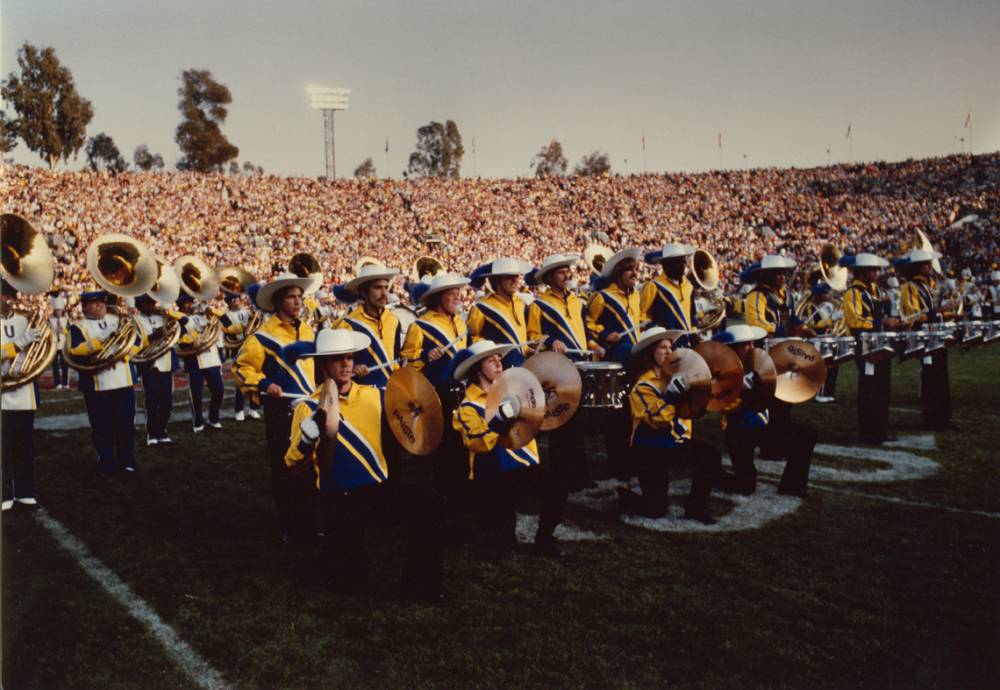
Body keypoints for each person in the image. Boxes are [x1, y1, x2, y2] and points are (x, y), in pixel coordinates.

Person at [285, 329, 443, 599]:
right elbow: (292, 463)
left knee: (429, 506)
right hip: (338, 496)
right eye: (338, 359)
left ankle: (421, 585)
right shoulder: (307, 407)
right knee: (349, 583)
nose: (346, 364)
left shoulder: (375, 396)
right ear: (323, 365)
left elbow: (409, 420)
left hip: (377, 489)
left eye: (349, 357)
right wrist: (307, 438)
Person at [525, 253, 601, 554]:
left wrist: (594, 346)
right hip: (554, 372)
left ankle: (573, 473)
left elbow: (582, 334)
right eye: (560, 271)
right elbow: (532, 339)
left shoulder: (577, 302)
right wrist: (549, 341)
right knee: (560, 426)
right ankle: (558, 473)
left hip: (577, 368)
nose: (567, 274)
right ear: (549, 277)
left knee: (576, 426)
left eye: (568, 270)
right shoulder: (539, 305)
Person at [236, 272, 317, 544]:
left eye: (299, 296)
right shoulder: (262, 337)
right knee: (285, 467)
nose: (297, 302)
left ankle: (311, 521)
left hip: (309, 407)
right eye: (291, 297)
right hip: (281, 412)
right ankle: (290, 525)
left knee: (312, 465)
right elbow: (242, 367)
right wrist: (264, 383)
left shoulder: (307, 330)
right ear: (279, 301)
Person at [618, 327, 720, 524]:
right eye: (662, 347)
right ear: (650, 353)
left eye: (669, 347)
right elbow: (657, 419)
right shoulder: (643, 385)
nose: (668, 351)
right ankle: (626, 497)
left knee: (711, 458)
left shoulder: (677, 375)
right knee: (655, 509)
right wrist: (671, 396)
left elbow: (692, 409)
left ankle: (696, 508)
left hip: (673, 443)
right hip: (649, 450)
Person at [452, 339, 541, 552]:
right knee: (498, 540)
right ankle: (492, 533)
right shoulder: (467, 407)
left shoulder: (511, 392)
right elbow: (478, 442)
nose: (499, 365)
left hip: (522, 465)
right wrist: (500, 417)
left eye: (499, 360)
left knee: (558, 484)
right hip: (491, 473)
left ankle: (544, 538)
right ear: (477, 369)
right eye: (491, 361)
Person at [715, 324, 815, 497]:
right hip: (739, 432)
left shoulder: (760, 365)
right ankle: (714, 476)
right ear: (732, 348)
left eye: (752, 344)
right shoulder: (722, 373)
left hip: (764, 426)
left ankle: (792, 485)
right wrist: (742, 390)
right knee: (745, 485)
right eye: (745, 344)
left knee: (807, 434)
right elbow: (727, 406)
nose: (751, 348)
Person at [400, 273, 471, 495]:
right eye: (452, 294)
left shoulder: (461, 322)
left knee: (463, 447)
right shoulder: (420, 326)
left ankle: (461, 495)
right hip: (437, 396)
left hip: (462, 392)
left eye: (459, 293)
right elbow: (407, 362)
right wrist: (424, 354)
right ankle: (444, 500)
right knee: (443, 454)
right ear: (439, 297)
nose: (458, 298)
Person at [743, 254, 810, 457]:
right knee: (768, 400)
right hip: (766, 353)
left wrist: (803, 328)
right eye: (777, 273)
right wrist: (784, 330)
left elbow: (793, 317)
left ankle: (780, 441)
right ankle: (768, 446)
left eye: (784, 273)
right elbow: (756, 324)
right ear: (766, 275)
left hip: (785, 352)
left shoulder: (786, 295)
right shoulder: (757, 295)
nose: (782, 277)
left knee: (785, 399)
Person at [67, 289, 140, 475]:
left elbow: (138, 341)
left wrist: (125, 354)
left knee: (126, 424)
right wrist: (101, 338)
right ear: (84, 307)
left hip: (123, 380)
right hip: (97, 384)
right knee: (102, 426)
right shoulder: (77, 327)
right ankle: (106, 461)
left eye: (102, 301)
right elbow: (76, 350)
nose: (100, 305)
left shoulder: (118, 321)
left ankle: (127, 460)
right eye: (94, 302)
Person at [585, 247, 643, 479]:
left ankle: (633, 457)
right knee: (617, 415)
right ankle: (616, 461)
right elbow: (587, 324)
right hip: (615, 363)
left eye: (635, 269)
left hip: (636, 361)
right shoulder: (602, 297)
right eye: (629, 269)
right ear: (618, 273)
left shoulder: (637, 296)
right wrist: (605, 334)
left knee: (635, 411)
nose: (634, 273)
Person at [841, 253, 901, 444]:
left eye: (876, 269)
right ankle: (867, 431)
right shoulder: (853, 293)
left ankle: (880, 430)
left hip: (880, 342)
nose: (876, 273)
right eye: (871, 270)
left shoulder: (875, 290)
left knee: (883, 388)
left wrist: (893, 322)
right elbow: (855, 320)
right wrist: (883, 321)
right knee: (869, 389)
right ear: (861, 272)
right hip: (865, 344)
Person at [899, 248, 954, 431]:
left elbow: (935, 312)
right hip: (924, 337)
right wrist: (938, 311)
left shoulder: (932, 284)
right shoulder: (909, 287)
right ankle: (931, 419)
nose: (930, 266)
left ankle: (944, 418)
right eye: (926, 264)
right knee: (931, 378)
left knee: (942, 377)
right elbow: (912, 315)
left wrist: (949, 312)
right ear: (917, 266)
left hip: (938, 334)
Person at [1, 280, 42, 509]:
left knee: (25, 445)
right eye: (4, 296)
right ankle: (4, 493)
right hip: (2, 392)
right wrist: (17, 344)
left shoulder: (24, 320)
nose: (9, 300)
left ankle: (24, 490)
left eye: (11, 295)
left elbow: (42, 346)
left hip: (25, 391)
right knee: (3, 446)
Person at [334, 262, 404, 388]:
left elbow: (396, 357)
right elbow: (335, 365)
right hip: (362, 396)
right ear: (364, 292)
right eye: (377, 288)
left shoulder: (394, 320)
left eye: (386, 287)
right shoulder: (347, 325)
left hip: (391, 392)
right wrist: (353, 368)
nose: (384, 294)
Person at [467, 258, 535, 368]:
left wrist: (528, 350)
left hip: (522, 366)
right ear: (497, 280)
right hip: (498, 370)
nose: (515, 280)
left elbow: (520, 338)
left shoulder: (521, 303)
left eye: (517, 276)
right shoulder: (481, 308)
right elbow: (470, 339)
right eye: (509, 277)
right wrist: (493, 348)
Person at [133, 293, 178, 445]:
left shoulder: (163, 317)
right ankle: (152, 433)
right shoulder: (135, 320)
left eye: (153, 303)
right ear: (140, 305)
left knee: (167, 402)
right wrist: (152, 337)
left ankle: (162, 430)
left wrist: (169, 314)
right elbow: (135, 343)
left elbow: (182, 324)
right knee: (152, 401)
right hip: (149, 364)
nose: (152, 306)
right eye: (148, 303)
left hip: (166, 362)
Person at [176, 293, 225, 432]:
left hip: (212, 358)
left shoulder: (203, 315)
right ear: (180, 305)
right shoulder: (179, 320)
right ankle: (198, 421)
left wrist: (208, 307)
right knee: (196, 393)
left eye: (191, 302)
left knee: (219, 390)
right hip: (194, 360)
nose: (190, 305)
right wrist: (195, 338)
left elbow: (223, 320)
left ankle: (213, 418)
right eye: (186, 303)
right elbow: (182, 342)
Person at [640, 243, 699, 346]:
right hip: (665, 343)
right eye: (676, 262)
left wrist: (694, 331)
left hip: (687, 341)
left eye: (683, 261)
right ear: (665, 265)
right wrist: (656, 329)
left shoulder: (689, 286)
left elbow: (692, 314)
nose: (681, 266)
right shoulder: (654, 286)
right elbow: (640, 315)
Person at [220, 291, 261, 421]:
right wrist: (243, 327)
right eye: (234, 300)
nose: (237, 302)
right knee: (241, 380)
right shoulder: (226, 316)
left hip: (253, 347)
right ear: (229, 303)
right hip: (238, 348)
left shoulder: (248, 312)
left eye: (238, 299)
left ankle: (254, 408)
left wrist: (255, 317)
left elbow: (257, 325)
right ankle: (239, 410)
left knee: (257, 377)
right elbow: (228, 330)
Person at [48, 293, 70, 389]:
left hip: (63, 344)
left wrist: (63, 330)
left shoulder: (66, 320)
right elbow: (48, 332)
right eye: (57, 310)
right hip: (54, 345)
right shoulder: (50, 320)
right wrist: (53, 331)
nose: (59, 312)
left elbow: (69, 333)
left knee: (65, 365)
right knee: (55, 365)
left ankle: (65, 382)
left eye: (60, 310)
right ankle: (57, 383)